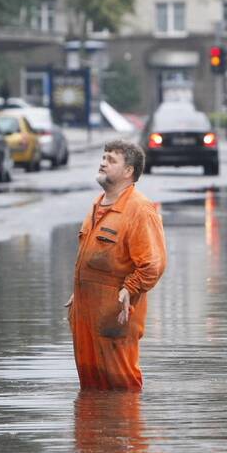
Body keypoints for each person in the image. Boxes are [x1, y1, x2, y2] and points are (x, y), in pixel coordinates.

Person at [65, 140, 166, 390]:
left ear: (128, 171)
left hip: (116, 313)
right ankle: (96, 428)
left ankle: (126, 427)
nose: (103, 162)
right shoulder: (97, 205)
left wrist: (129, 289)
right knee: (91, 387)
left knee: (122, 387)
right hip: (85, 312)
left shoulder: (139, 210)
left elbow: (152, 264)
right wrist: (79, 290)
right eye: (103, 157)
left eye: (111, 160)